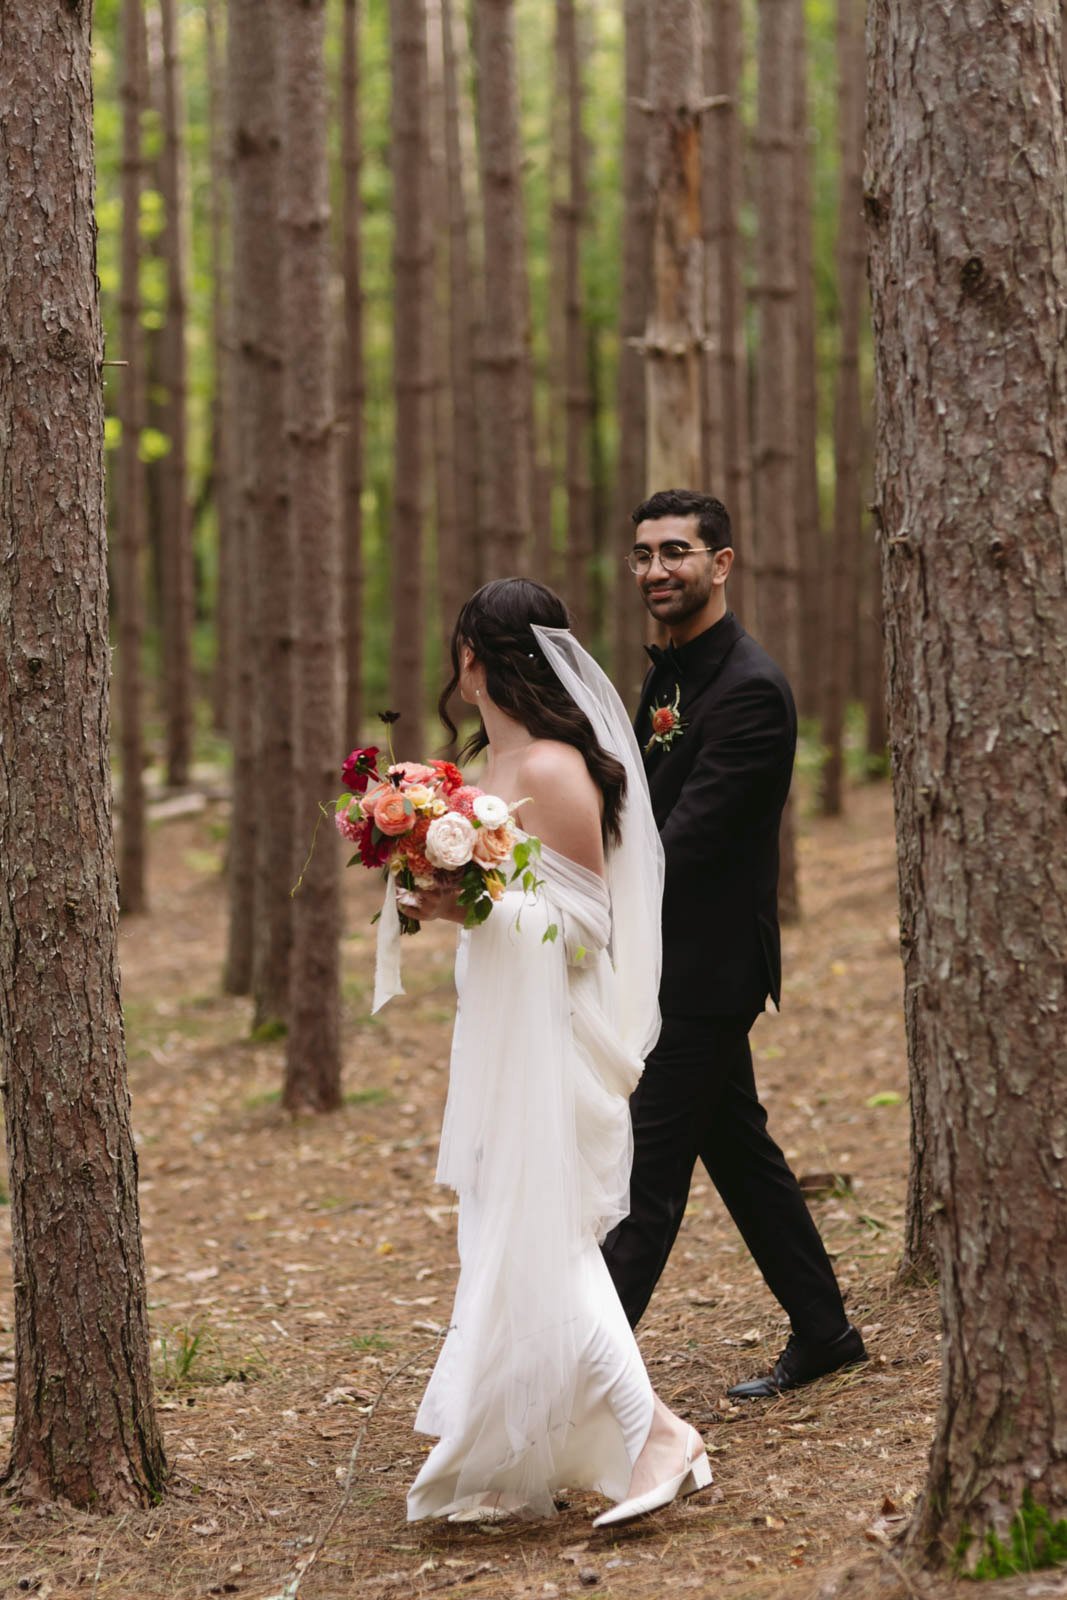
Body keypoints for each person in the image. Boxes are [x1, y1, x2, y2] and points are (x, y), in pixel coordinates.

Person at [390, 578, 711, 1525]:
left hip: (556, 1038)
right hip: (496, 1030)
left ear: (475, 661)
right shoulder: (486, 767)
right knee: (494, 1232)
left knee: (548, 1239)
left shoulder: (560, 770)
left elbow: (584, 926)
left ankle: (657, 1434)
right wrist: (442, 902)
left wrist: (475, 904)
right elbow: (498, 896)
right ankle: (503, 1460)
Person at [602, 489, 867, 1399]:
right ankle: (825, 1331)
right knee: (740, 1151)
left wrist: (573, 897)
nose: (654, 571)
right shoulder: (670, 674)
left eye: (673, 552)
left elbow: (688, 843)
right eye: (641, 555)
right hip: (664, 960)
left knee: (644, 1182)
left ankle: (572, 1381)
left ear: (721, 564)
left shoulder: (750, 689)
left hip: (705, 972)